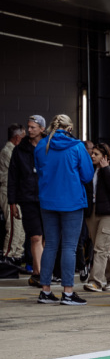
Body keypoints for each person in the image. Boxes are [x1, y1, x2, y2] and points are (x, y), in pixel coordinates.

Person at [33, 114, 93, 305]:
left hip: (47, 200)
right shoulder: (76, 146)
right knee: (69, 247)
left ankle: (45, 291)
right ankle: (67, 293)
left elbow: (39, 170)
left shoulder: (41, 146)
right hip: (72, 201)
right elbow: (87, 175)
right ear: (69, 129)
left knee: (50, 244)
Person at [82, 142, 110, 293]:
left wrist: (106, 169)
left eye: (96, 154)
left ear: (105, 157)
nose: (92, 155)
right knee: (101, 248)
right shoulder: (89, 170)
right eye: (92, 153)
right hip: (92, 213)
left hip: (109, 213)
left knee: (99, 248)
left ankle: (95, 282)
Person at [9, 115, 45, 286]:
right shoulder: (19, 150)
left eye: (33, 127)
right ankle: (40, 274)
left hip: (47, 198)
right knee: (35, 237)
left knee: (45, 238)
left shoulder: (49, 147)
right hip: (28, 199)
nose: (29, 130)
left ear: (42, 129)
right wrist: (12, 202)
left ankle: (40, 272)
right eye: (28, 127)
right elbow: (12, 177)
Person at [0, 124, 24, 260]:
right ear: (17, 138)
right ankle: (8, 255)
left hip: (16, 192)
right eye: (22, 137)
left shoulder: (14, 150)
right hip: (9, 191)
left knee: (19, 226)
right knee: (13, 226)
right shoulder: (7, 151)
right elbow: (17, 173)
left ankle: (17, 254)